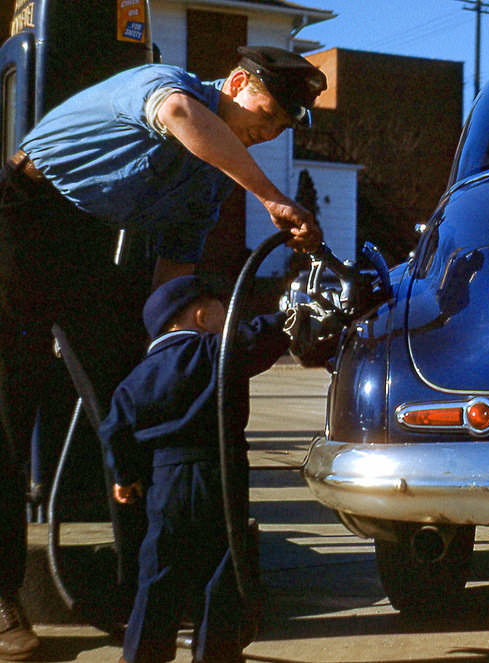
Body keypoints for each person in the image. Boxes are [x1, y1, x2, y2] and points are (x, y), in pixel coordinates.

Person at [0, 46, 325, 659]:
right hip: (22, 213)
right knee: (9, 409)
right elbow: (179, 114)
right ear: (234, 82)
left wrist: (168, 356)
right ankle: (1, 594)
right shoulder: (167, 85)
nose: (273, 128)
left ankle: (141, 594)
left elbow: (172, 280)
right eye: (271, 110)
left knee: (130, 405)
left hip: (88, 244)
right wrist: (272, 198)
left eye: (284, 124)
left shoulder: (207, 184)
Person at [101, 275, 289, 663]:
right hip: (220, 473)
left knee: (158, 571)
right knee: (221, 570)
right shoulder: (216, 351)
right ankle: (215, 654)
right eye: (223, 309)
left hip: (164, 481)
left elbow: (116, 429)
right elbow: (259, 338)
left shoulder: (137, 378)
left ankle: (140, 654)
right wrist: (289, 318)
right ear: (202, 315)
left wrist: (124, 477)